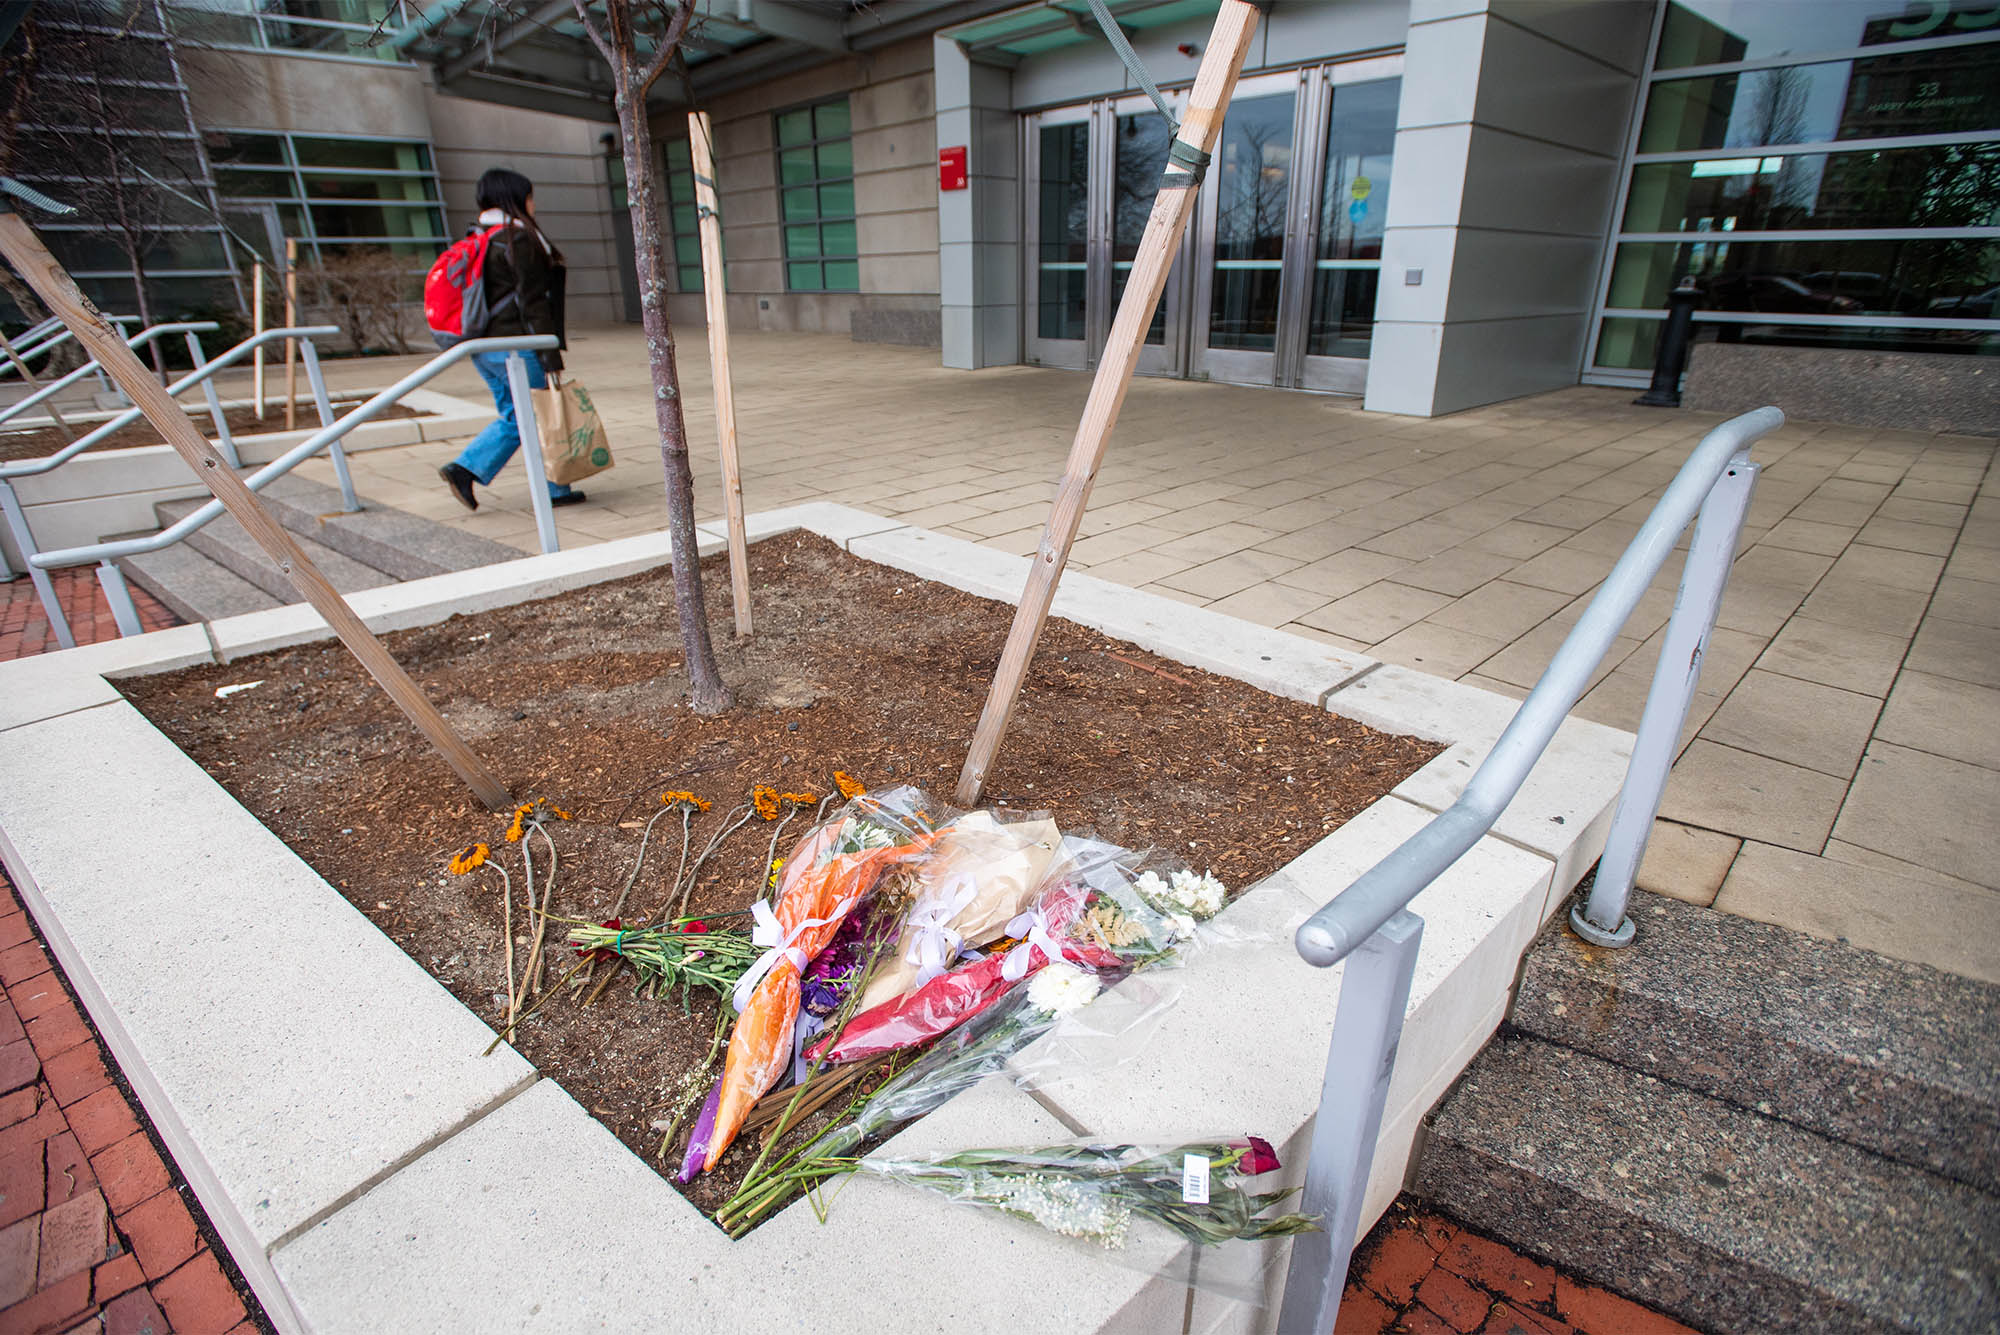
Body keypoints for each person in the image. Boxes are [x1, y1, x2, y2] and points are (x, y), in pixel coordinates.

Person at [438, 167, 585, 511]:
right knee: (532, 415)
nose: (534, 204)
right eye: (530, 197)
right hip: (517, 347)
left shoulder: (480, 236)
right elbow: (533, 302)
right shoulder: (517, 239)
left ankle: (557, 489)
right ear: (516, 199)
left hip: (486, 347)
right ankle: (466, 468)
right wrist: (550, 354)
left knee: (521, 415)